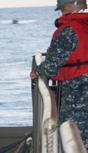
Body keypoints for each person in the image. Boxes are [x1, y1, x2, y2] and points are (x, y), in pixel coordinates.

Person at [34, 0, 88, 137]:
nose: (62, 12)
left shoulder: (68, 30)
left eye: (63, 8)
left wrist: (37, 72)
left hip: (77, 95)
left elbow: (51, 65)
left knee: (74, 137)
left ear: (73, 5)